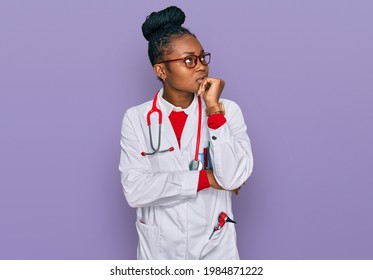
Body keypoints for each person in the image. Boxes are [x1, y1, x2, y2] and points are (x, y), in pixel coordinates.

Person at [119, 6, 253, 260]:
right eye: (189, 60)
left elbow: (233, 177)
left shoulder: (227, 111)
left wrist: (214, 110)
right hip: (159, 252)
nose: (201, 67)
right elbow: (135, 190)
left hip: (215, 249)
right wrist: (207, 179)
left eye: (203, 58)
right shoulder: (136, 119)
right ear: (161, 71)